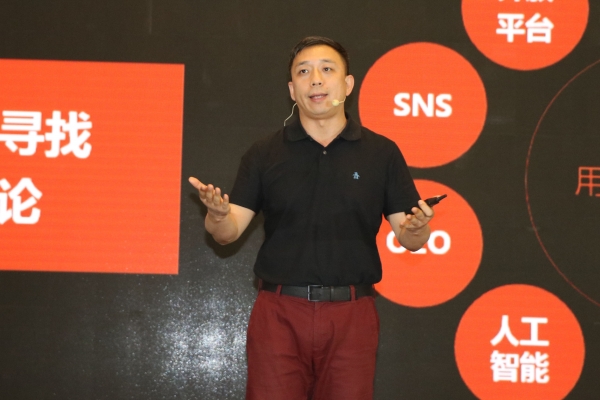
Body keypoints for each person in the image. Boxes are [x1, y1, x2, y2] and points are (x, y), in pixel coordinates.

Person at [189, 36, 434, 400]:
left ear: (347, 84)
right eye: (303, 72)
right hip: (280, 313)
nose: (315, 79)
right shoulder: (264, 153)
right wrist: (217, 214)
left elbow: (410, 236)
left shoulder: (381, 153)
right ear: (292, 90)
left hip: (352, 315)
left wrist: (418, 228)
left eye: (327, 69)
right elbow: (227, 232)